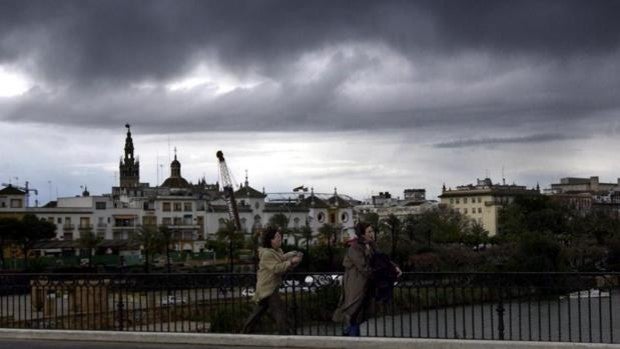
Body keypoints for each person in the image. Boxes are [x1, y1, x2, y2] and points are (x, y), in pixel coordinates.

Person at [332, 222, 401, 336]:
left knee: (360, 312)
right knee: (354, 311)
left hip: (367, 283)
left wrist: (394, 267)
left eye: (372, 231)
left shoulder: (372, 245)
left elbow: (382, 259)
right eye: (369, 231)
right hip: (356, 284)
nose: (372, 234)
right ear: (362, 234)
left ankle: (349, 335)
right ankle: (353, 340)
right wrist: (378, 276)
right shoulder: (355, 247)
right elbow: (362, 266)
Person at [242, 226, 303, 334]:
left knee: (258, 313)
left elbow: (281, 259)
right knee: (280, 313)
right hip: (268, 288)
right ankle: (286, 335)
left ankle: (245, 333)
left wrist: (292, 256)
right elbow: (276, 268)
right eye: (277, 237)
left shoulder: (277, 251)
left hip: (269, 287)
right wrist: (291, 261)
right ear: (270, 240)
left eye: (280, 236)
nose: (280, 239)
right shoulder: (267, 254)